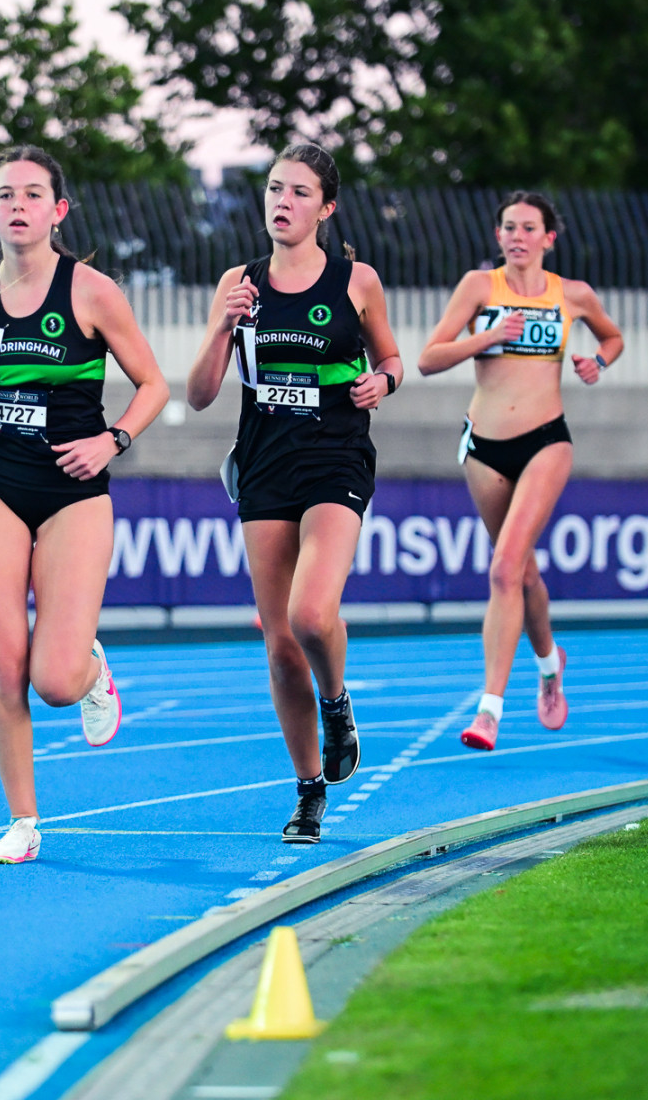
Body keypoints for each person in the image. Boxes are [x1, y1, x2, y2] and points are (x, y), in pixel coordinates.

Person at [0, 146, 169, 865]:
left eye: (32, 194)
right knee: (2, 663)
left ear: (58, 211)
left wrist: (113, 440)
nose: (17, 206)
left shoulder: (91, 291)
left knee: (52, 681)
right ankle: (23, 821)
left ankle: (89, 667)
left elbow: (154, 385)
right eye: (6, 194)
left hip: (72, 491)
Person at [186, 142, 404, 845]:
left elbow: (390, 357)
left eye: (300, 192)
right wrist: (224, 326)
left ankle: (336, 703)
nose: (283, 202)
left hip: (336, 457)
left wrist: (383, 380)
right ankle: (309, 790)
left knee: (311, 615)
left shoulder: (355, 281)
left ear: (326, 207)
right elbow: (198, 395)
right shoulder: (239, 282)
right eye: (275, 188)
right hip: (264, 464)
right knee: (280, 644)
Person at [418, 192, 624, 752]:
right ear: (498, 235)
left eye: (529, 228)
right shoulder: (478, 287)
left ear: (549, 238)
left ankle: (489, 710)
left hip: (546, 441)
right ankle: (550, 663)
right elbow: (428, 358)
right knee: (523, 574)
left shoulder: (572, 294)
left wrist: (596, 362)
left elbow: (613, 336)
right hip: (484, 448)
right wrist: (488, 337)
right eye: (509, 227)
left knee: (505, 568)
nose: (517, 236)